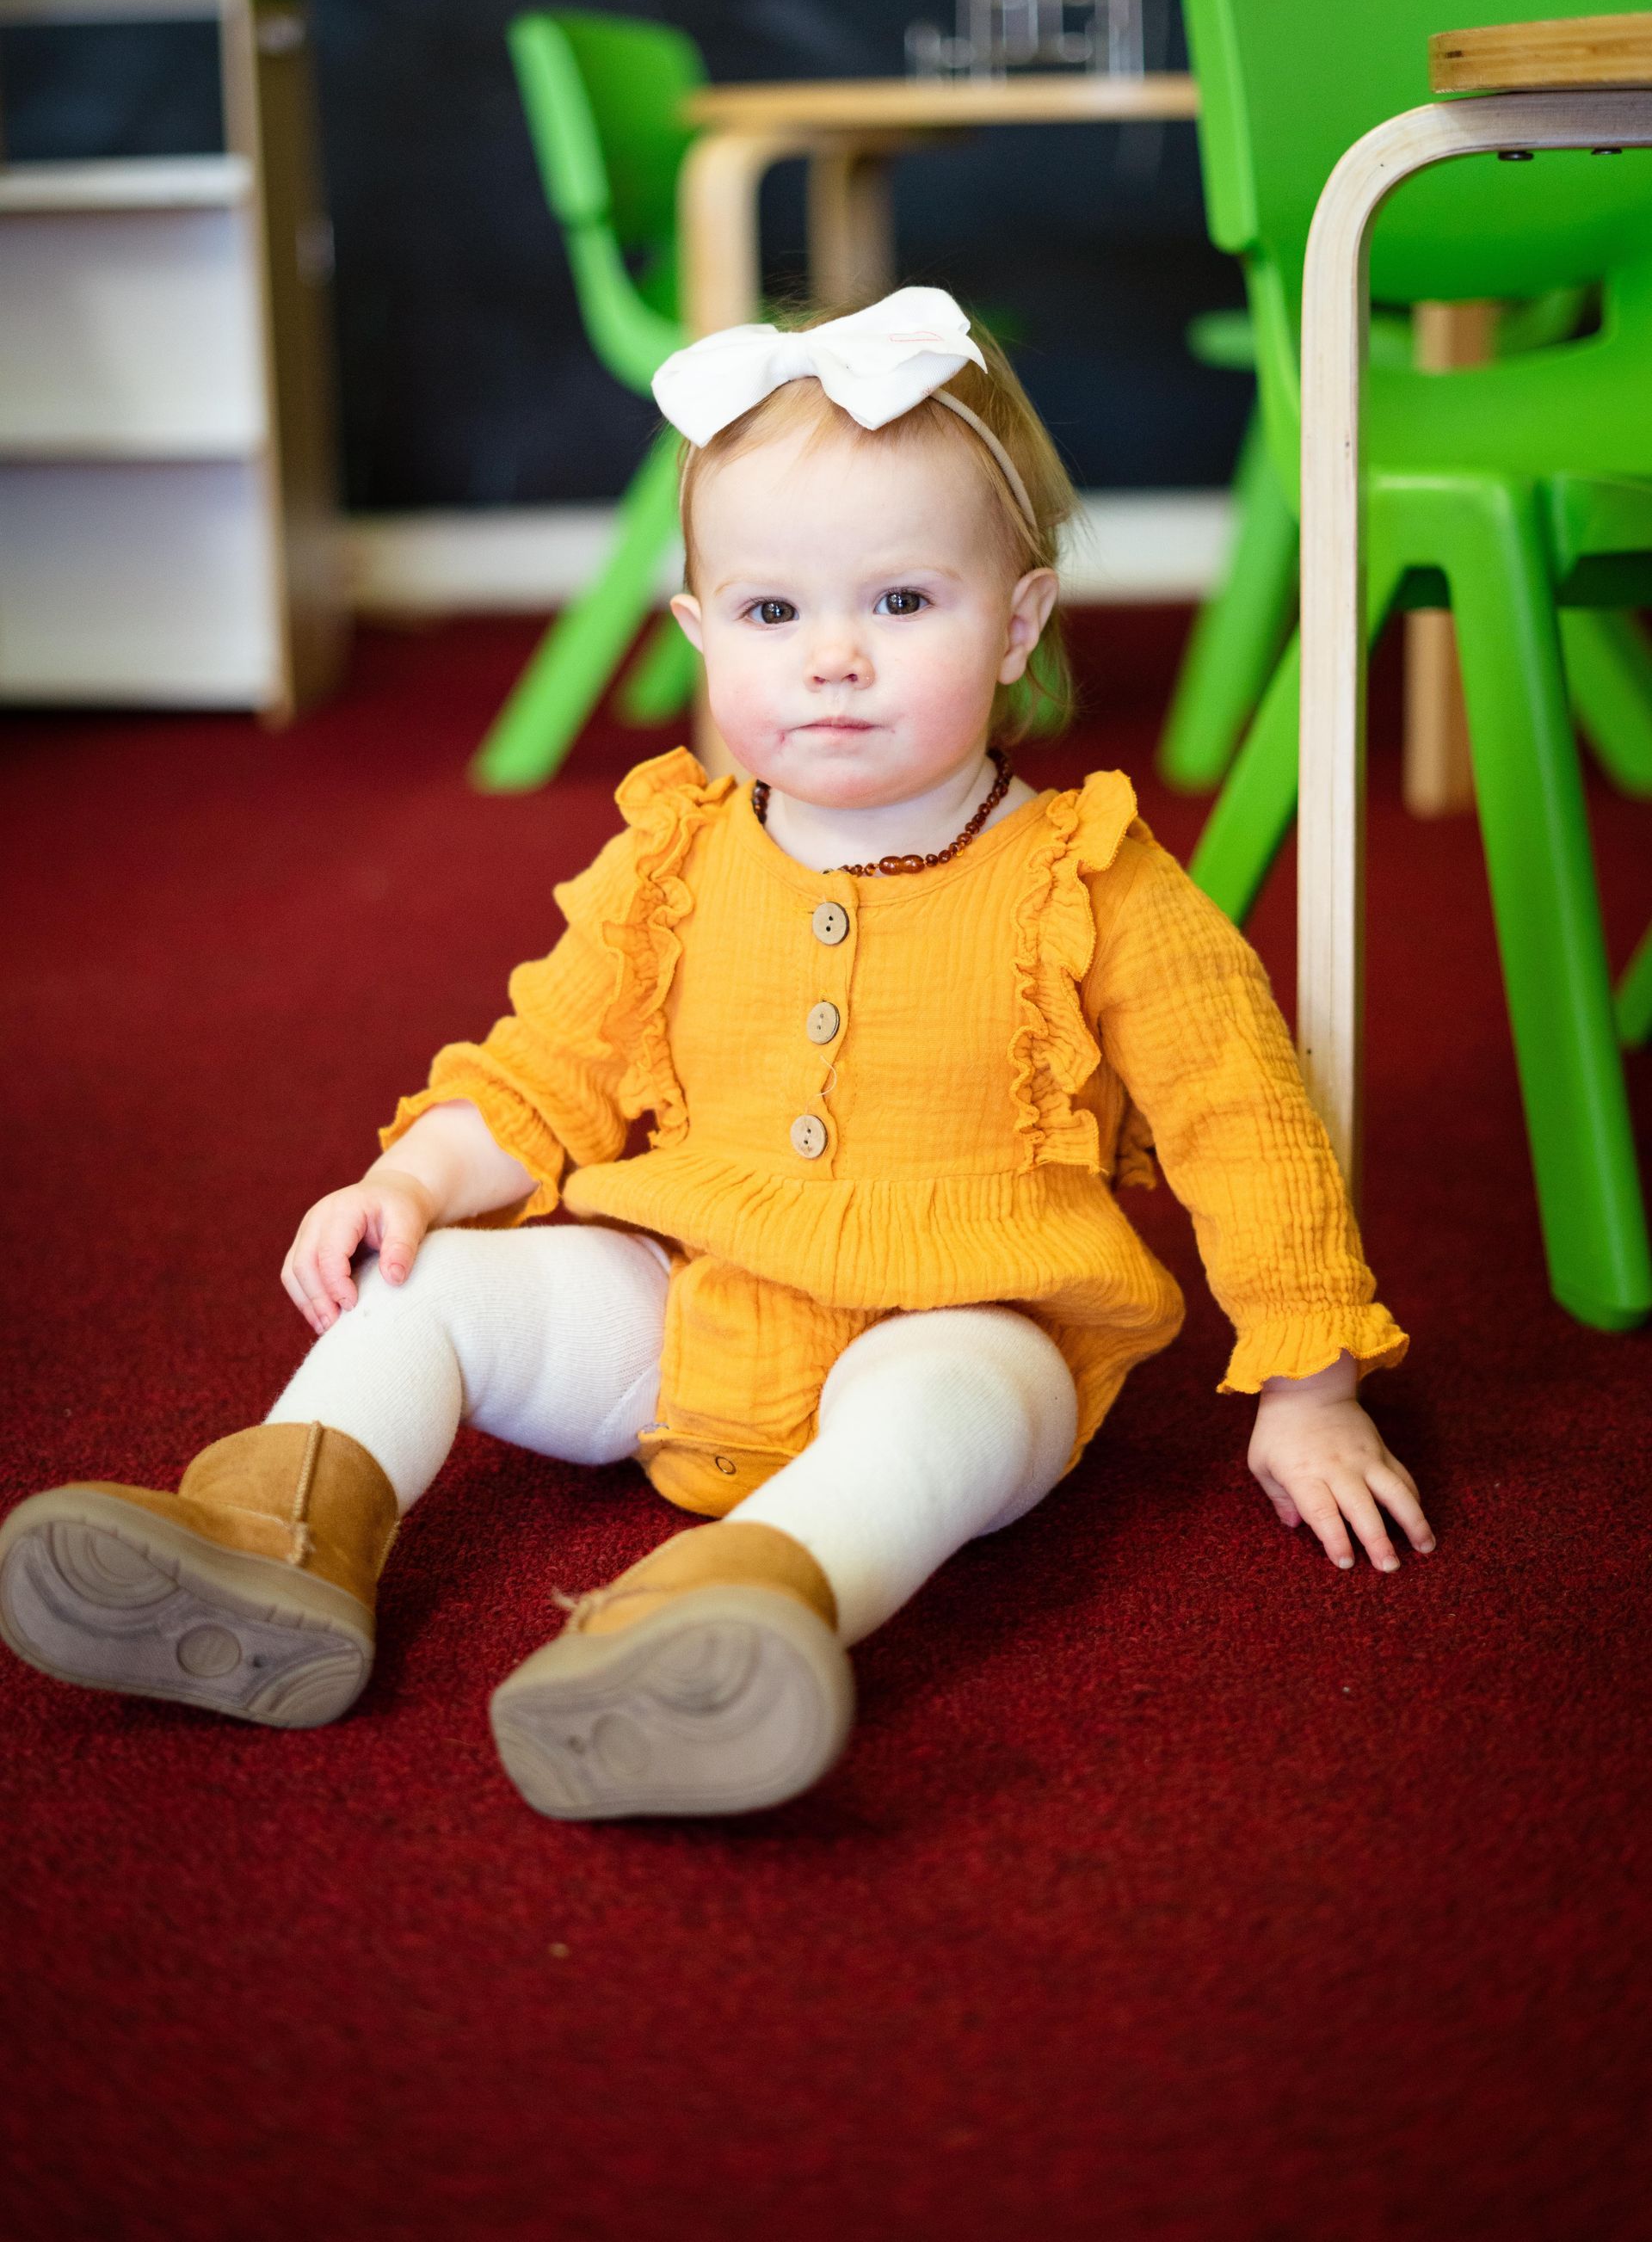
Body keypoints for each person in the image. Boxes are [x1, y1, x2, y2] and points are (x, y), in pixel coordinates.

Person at [0, 288, 1432, 1819]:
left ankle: (728, 1617)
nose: (833, 662)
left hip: (970, 1312)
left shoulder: (1094, 881)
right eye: (772, 613)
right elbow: (547, 1063)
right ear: (697, 633)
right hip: (687, 1304)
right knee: (430, 1288)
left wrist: (1312, 1386)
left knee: (941, 1412)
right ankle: (271, 1537)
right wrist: (409, 1180)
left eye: (900, 604)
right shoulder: (672, 858)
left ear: (1018, 620)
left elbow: (1244, 1120)